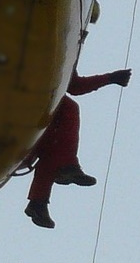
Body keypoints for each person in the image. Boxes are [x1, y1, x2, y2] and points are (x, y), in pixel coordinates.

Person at [24, 67, 132, 228]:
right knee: (67, 107)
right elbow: (73, 86)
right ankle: (62, 171)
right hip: (15, 100)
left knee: (54, 146)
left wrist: (110, 78)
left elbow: (73, 84)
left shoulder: (68, 44)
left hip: (26, 123)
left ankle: (39, 202)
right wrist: (110, 78)